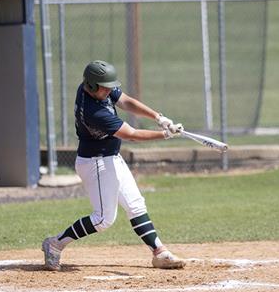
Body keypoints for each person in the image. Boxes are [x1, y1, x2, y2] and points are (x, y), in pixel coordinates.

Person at [42, 60, 186, 271]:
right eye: (105, 87)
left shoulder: (97, 87)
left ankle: (159, 252)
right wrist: (165, 134)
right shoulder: (93, 111)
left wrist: (158, 117)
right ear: (92, 86)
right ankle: (54, 244)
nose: (109, 90)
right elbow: (132, 135)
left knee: (136, 205)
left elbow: (126, 101)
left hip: (111, 158)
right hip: (96, 163)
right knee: (103, 219)